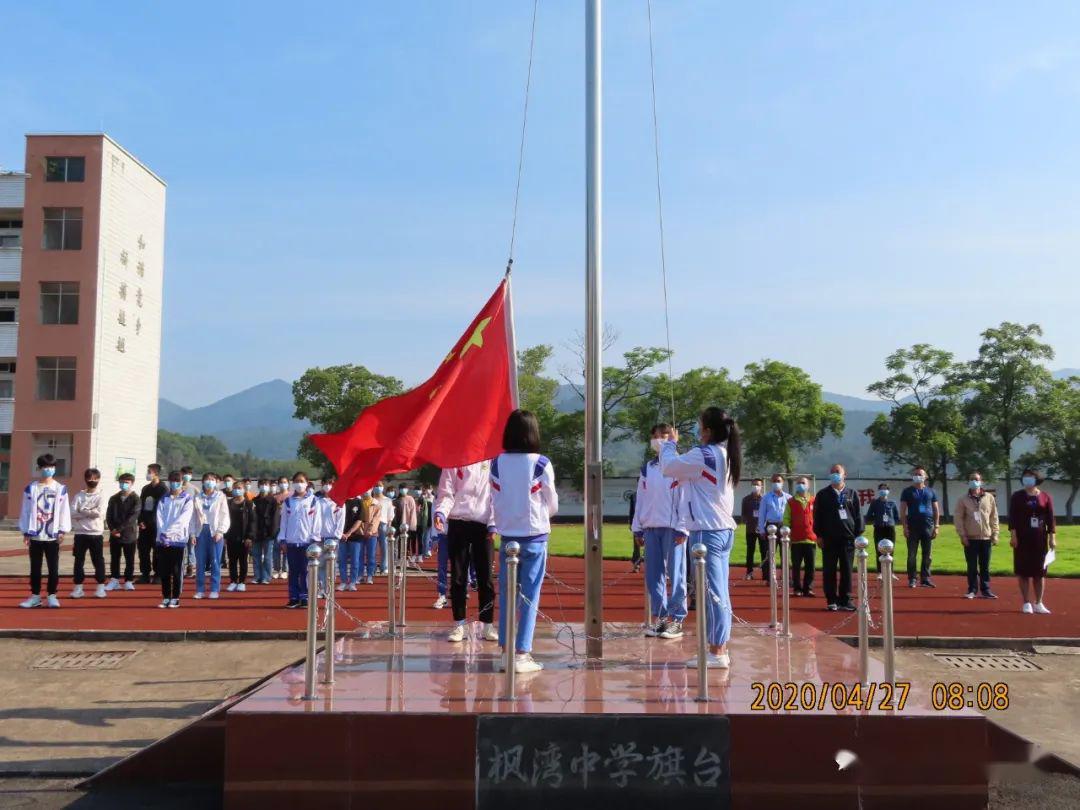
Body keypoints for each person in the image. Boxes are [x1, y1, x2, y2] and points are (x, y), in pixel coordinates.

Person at [659, 407, 743, 668]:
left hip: (708, 532)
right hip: (721, 529)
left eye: (699, 426)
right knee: (719, 592)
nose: (697, 431)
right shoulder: (725, 453)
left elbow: (668, 467)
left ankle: (717, 651)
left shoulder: (704, 454)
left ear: (707, 430)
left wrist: (669, 444)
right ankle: (718, 647)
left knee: (714, 594)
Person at [492, 409, 559, 674]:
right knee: (530, 595)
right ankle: (522, 652)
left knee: (507, 595)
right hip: (534, 536)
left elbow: (495, 499)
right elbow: (551, 502)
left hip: (508, 536)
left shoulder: (497, 462)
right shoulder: (541, 462)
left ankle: (506, 650)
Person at [632, 423, 686, 639]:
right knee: (654, 576)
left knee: (676, 574)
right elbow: (641, 499)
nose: (660, 439)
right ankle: (661, 618)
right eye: (656, 436)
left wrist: (683, 526)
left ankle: (677, 619)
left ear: (674, 437)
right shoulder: (648, 468)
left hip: (674, 528)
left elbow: (685, 497)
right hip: (651, 526)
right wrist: (638, 528)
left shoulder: (680, 464)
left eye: (665, 435)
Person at [434, 460, 498, 643]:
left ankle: (487, 624)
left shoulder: (494, 461)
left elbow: (496, 495)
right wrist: (440, 513)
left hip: (483, 524)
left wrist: (493, 523)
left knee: (485, 577)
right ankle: (458, 625)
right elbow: (446, 493)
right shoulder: (454, 460)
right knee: (458, 577)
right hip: (458, 522)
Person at [19, 455, 72, 608]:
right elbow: (26, 511)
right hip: (36, 535)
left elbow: (64, 511)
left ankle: (52, 595)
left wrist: (62, 530)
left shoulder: (60, 489)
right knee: (35, 568)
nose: (49, 470)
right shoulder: (31, 488)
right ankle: (35, 596)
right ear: (40, 468)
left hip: (52, 535)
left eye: (52, 467)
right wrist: (26, 532)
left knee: (53, 568)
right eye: (46, 467)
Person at [812, 464, 864, 612]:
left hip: (848, 538)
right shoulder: (823, 494)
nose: (835, 474)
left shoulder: (852, 494)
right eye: (832, 472)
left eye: (837, 472)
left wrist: (858, 534)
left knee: (847, 570)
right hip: (829, 539)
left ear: (844, 475)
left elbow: (858, 515)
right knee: (829, 570)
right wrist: (819, 535)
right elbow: (817, 516)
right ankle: (831, 600)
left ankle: (846, 599)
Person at [1008, 469, 1056, 615]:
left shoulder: (1045, 497)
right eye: (1025, 477)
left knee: (1039, 572)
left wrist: (1052, 537)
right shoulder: (1017, 496)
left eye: (1031, 477)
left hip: (1040, 540)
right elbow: (1012, 518)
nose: (1027, 479)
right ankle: (1026, 602)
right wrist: (1013, 535)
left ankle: (1039, 602)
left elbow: (1050, 519)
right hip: (1022, 539)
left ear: (1037, 479)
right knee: (1023, 571)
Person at [278, 473, 322, 608]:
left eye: (301, 481)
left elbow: (317, 521)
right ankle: (293, 597)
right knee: (293, 571)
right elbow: (284, 522)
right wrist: (282, 539)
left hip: (307, 542)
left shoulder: (314, 501)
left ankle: (305, 597)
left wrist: (315, 540)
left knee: (305, 571)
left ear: (307, 482)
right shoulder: (288, 502)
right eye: (296, 481)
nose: (299, 484)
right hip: (291, 541)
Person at [954, 471, 999, 600]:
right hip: (971, 538)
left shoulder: (989, 497)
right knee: (972, 565)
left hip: (985, 537)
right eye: (972, 479)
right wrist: (962, 535)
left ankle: (986, 590)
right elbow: (958, 518)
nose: (974, 481)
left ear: (981, 481)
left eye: (977, 479)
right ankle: (972, 589)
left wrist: (995, 533)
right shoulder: (963, 499)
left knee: (985, 565)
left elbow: (994, 516)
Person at [156, 471, 194, 608]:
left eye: (177, 480)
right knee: (164, 570)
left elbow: (183, 519)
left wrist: (169, 533)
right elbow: (159, 517)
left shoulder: (187, 499)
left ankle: (176, 597)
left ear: (182, 481)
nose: (174, 483)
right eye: (172, 480)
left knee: (177, 570)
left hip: (178, 539)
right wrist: (163, 533)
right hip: (162, 540)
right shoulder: (164, 498)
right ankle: (166, 597)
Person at [189, 472, 230, 599]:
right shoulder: (197, 497)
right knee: (200, 562)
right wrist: (192, 534)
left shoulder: (220, 497)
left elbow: (224, 515)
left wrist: (220, 531)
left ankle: (214, 589)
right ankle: (200, 589)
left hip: (215, 532)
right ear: (202, 482)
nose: (209, 482)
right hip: (201, 531)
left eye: (212, 479)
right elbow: (193, 517)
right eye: (206, 479)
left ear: (216, 482)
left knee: (215, 561)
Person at [899, 466, 940, 588]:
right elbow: (902, 510)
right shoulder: (907, 491)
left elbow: (936, 510)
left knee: (927, 554)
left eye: (920, 474)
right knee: (912, 554)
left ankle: (925, 578)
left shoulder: (931, 491)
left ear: (925, 477)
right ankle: (912, 578)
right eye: (915, 474)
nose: (918, 476)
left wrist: (936, 526)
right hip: (912, 526)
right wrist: (905, 527)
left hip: (928, 526)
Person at [70, 468, 107, 599]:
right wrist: (89, 512)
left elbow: (100, 513)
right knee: (79, 560)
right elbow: (73, 513)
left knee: (98, 560)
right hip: (80, 533)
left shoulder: (101, 495)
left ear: (99, 479)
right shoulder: (79, 496)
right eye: (90, 478)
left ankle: (101, 587)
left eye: (95, 478)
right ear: (85, 479)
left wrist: (83, 511)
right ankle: (78, 588)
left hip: (96, 533)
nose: (92, 480)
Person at [106, 473, 141, 590]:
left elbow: (132, 517)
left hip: (129, 534)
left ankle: (128, 580)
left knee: (129, 559)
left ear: (132, 483)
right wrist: (112, 530)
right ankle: (114, 580)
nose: (124, 484)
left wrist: (119, 529)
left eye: (127, 482)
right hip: (114, 534)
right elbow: (109, 515)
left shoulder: (136, 499)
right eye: (122, 482)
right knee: (114, 558)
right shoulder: (113, 498)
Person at [783, 476, 817, 597]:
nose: (800, 485)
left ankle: (808, 588)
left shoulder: (814, 500)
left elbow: (818, 518)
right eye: (798, 483)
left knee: (810, 566)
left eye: (803, 483)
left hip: (811, 539)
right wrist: (786, 531)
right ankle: (797, 588)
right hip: (796, 539)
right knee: (796, 566)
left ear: (808, 486)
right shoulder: (791, 502)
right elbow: (786, 518)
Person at [756, 474, 790, 584]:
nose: (776, 483)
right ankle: (769, 578)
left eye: (779, 481)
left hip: (784, 527)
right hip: (770, 526)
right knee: (769, 554)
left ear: (783, 482)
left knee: (784, 553)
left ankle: (785, 577)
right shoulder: (766, 497)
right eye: (774, 481)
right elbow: (761, 514)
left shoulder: (789, 497)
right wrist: (761, 529)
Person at [137, 463, 167, 584]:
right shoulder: (145, 488)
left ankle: (158, 574)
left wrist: (150, 522)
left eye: (150, 471)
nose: (148, 474)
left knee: (157, 551)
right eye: (148, 471)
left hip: (157, 525)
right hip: (144, 525)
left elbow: (160, 508)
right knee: (143, 550)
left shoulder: (163, 489)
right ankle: (145, 574)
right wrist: (140, 521)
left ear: (156, 473)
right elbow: (140, 506)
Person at [865, 483, 900, 580]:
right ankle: (880, 572)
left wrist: (892, 522)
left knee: (891, 550)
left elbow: (896, 516)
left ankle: (890, 572)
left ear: (888, 491)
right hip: (879, 528)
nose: (883, 491)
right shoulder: (874, 503)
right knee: (879, 550)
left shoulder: (892, 503)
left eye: (885, 489)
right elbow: (868, 516)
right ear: (878, 491)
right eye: (881, 489)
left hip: (890, 528)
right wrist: (876, 519)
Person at [224, 479, 255, 592]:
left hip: (244, 537)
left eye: (239, 488)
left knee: (243, 560)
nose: (237, 490)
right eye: (235, 488)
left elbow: (252, 521)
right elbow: (224, 519)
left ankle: (242, 581)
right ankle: (233, 581)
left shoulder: (249, 503)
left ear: (243, 489)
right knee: (232, 560)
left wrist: (249, 536)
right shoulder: (228, 503)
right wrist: (225, 536)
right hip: (231, 535)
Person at [318, 476, 345, 592]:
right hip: (319, 537)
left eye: (331, 483)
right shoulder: (317, 501)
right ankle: (319, 589)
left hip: (332, 539)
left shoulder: (339, 502)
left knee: (331, 565)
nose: (328, 486)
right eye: (326, 483)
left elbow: (341, 521)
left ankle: (328, 589)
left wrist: (336, 536)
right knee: (320, 565)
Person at [251, 480, 279, 584]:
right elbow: (251, 517)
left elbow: (275, 518)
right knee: (256, 555)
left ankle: (266, 577)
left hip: (268, 532)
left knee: (267, 556)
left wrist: (273, 532)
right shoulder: (254, 500)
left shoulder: (273, 501)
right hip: (256, 532)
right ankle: (257, 576)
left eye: (266, 484)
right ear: (258, 486)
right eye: (261, 485)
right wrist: (251, 532)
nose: (264, 486)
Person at [339, 491, 366, 590]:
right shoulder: (341, 501)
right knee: (342, 560)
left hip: (355, 536)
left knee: (355, 560)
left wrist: (349, 533)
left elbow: (359, 520)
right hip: (341, 536)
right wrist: (341, 533)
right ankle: (343, 581)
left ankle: (353, 582)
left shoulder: (359, 502)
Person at [741, 478, 764, 580]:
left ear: (761, 486)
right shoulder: (746, 499)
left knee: (764, 551)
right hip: (750, 530)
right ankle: (749, 573)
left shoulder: (765, 499)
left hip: (762, 530)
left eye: (758, 484)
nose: (756, 486)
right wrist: (748, 521)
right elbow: (743, 514)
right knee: (750, 551)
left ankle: (766, 573)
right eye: (754, 484)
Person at [180, 466, 197, 577]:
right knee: (181, 547)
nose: (187, 475)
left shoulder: (195, 489)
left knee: (191, 547)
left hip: (191, 523)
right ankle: (180, 567)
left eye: (189, 473)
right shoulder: (178, 488)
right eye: (185, 473)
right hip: (180, 523)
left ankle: (191, 567)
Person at [272, 476, 290, 579]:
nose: (283, 484)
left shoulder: (291, 495)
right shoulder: (275, 497)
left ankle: (285, 569)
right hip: (276, 525)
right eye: (281, 482)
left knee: (286, 548)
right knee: (276, 548)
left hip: (288, 526)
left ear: (288, 483)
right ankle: (276, 569)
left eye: (285, 482)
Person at [395, 485, 419, 564]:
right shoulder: (397, 500)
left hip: (407, 525)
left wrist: (412, 524)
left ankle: (406, 559)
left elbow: (413, 513)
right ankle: (399, 558)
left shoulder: (410, 499)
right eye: (401, 488)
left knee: (407, 542)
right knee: (398, 542)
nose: (403, 490)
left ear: (407, 489)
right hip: (398, 523)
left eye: (404, 488)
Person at [374, 482, 392, 574]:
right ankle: (372, 567)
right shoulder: (372, 500)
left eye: (380, 486)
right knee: (372, 547)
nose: (378, 488)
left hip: (383, 524)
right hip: (373, 524)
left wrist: (389, 526)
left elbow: (390, 515)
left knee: (384, 546)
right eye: (376, 486)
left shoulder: (388, 500)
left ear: (383, 487)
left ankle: (384, 566)